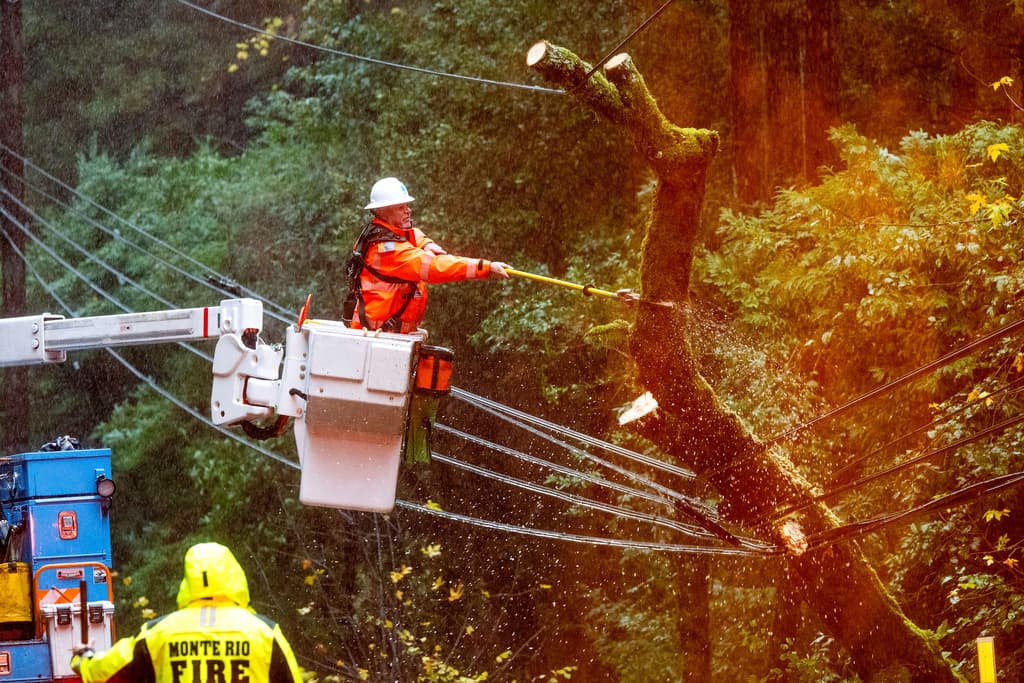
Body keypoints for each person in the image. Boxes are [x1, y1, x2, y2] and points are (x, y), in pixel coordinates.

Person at [71, 542, 303, 683]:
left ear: (187, 580)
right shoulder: (265, 633)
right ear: (236, 575)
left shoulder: (158, 633)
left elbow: (108, 672)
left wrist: (85, 657)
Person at [345, 177, 511, 333]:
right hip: (378, 336)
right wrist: (485, 267)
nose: (408, 211)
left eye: (407, 206)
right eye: (401, 208)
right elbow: (434, 268)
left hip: (387, 334)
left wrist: (426, 243)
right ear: (383, 212)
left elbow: (412, 234)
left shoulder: (382, 232)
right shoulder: (387, 250)